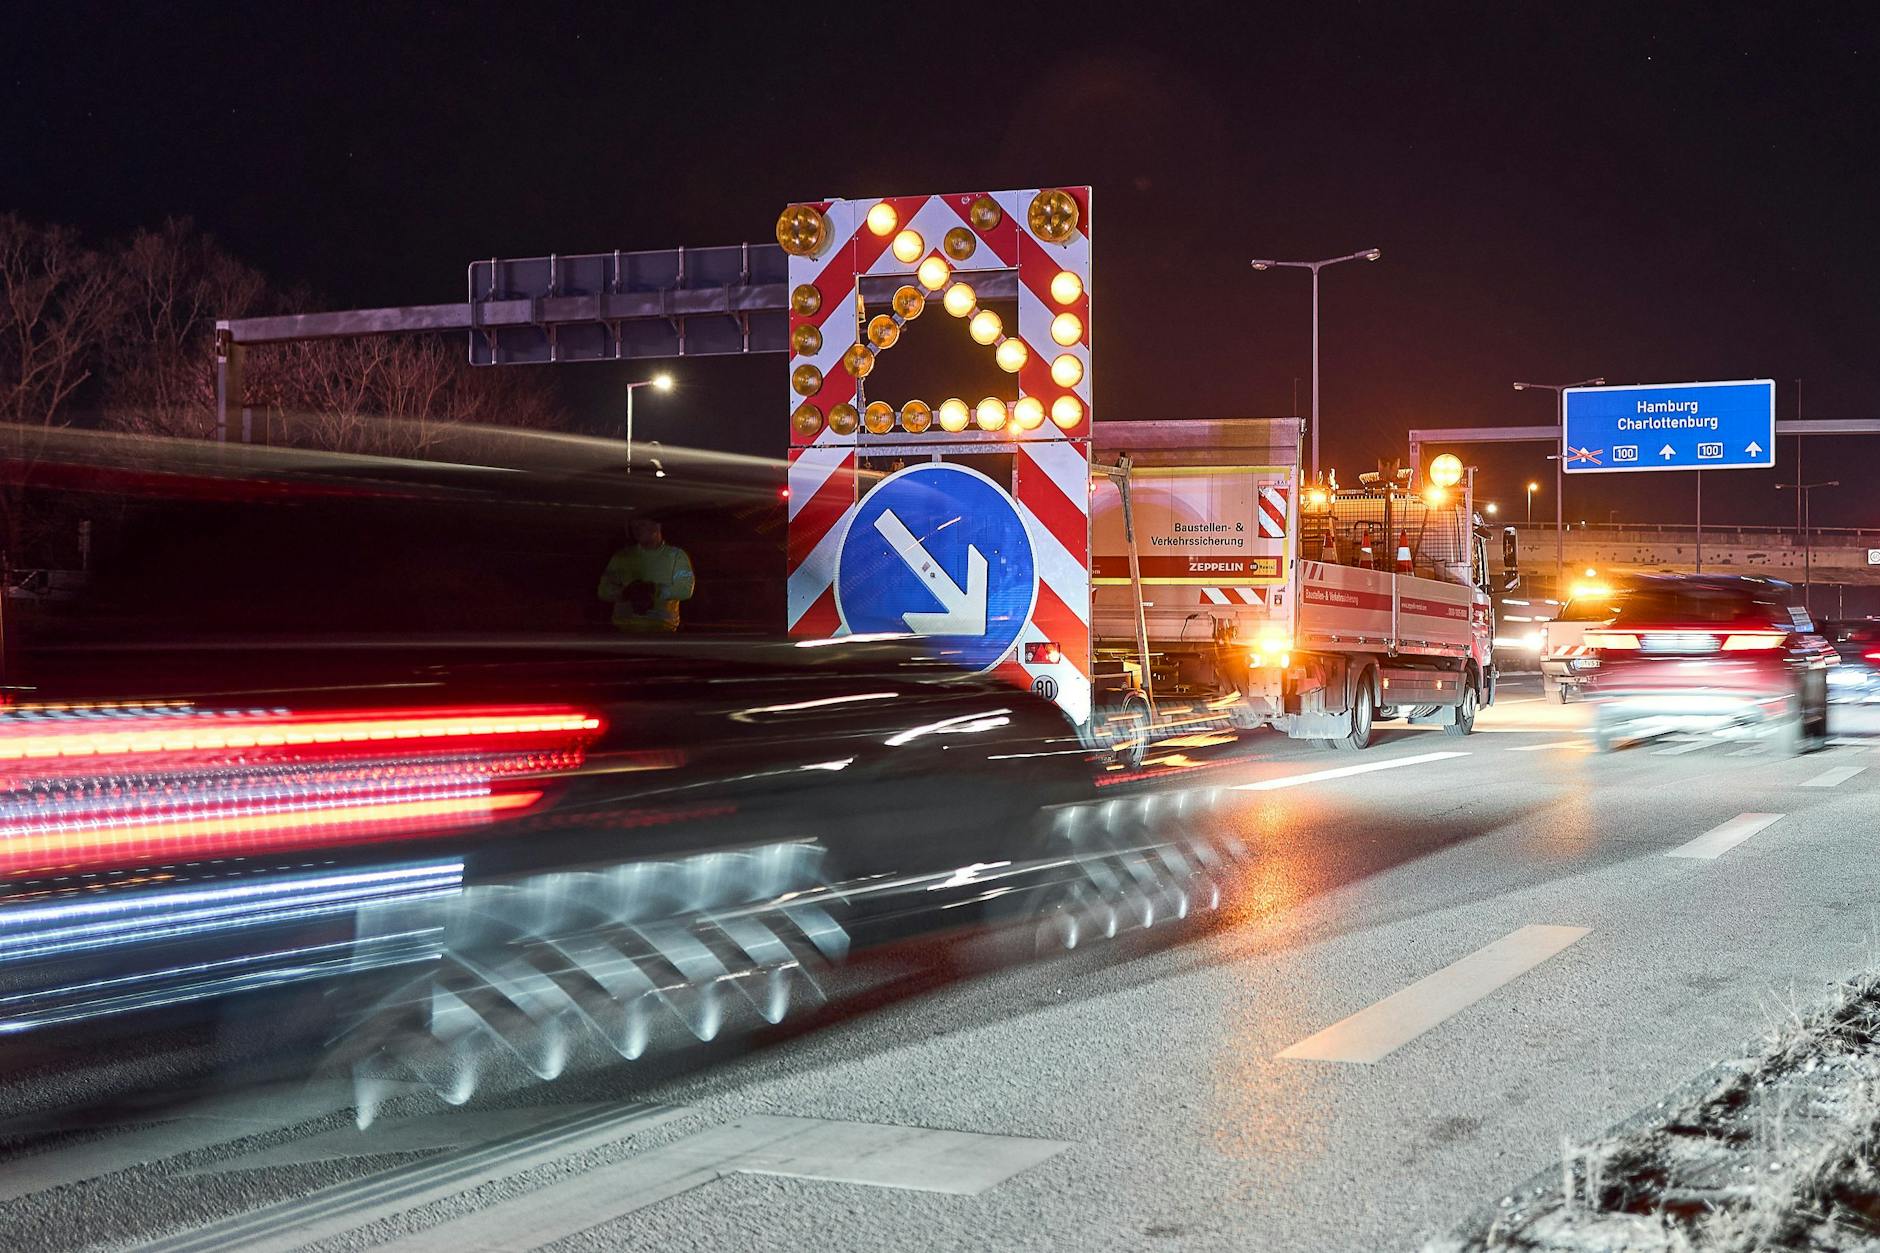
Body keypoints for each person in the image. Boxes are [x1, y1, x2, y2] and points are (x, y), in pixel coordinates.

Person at [598, 517, 695, 633]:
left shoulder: (676, 556)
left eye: (642, 524)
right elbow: (603, 591)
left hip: (662, 630)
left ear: (657, 525)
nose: (636, 530)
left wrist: (654, 590)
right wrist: (626, 593)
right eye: (634, 526)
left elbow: (685, 590)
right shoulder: (622, 556)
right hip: (624, 631)